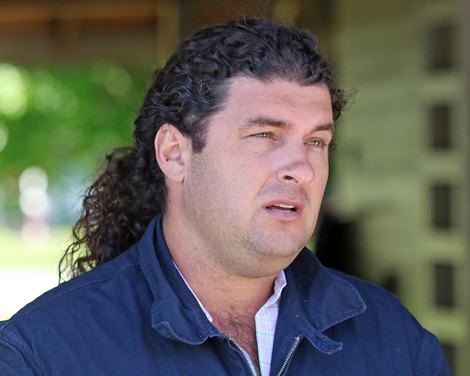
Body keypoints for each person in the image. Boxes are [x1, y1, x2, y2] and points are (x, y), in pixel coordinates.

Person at [0, 18, 451, 375]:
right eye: (265, 135)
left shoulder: (396, 339)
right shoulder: (42, 354)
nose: (302, 169)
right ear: (175, 154)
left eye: (316, 141)